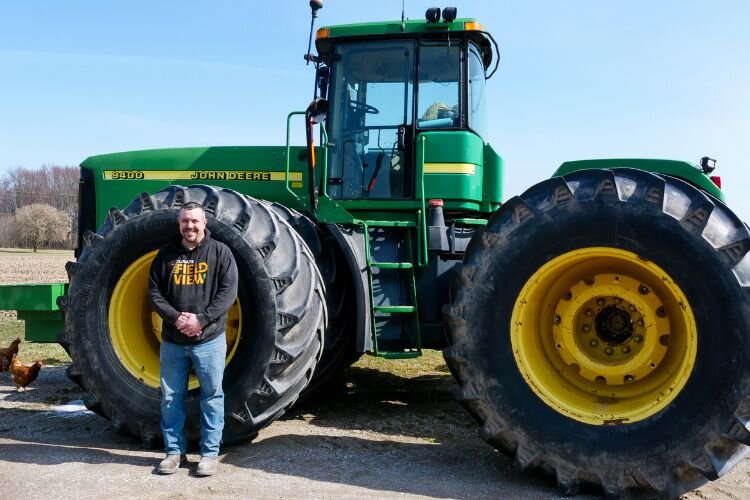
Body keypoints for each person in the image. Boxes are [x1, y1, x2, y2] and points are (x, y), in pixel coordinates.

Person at [148, 201, 238, 476]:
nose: (189, 226)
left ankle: (209, 454)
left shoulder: (220, 253)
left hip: (209, 340)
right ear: (179, 224)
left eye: (194, 221)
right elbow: (154, 293)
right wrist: (176, 318)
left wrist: (201, 319)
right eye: (185, 221)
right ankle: (174, 452)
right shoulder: (165, 256)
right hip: (174, 342)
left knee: (212, 396)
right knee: (171, 398)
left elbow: (228, 293)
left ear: (204, 223)